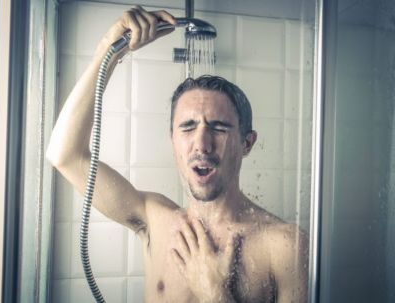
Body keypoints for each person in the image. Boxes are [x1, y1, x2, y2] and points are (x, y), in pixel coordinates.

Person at [47, 5, 308, 303]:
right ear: (172, 140)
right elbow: (64, 154)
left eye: (219, 127)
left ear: (247, 143)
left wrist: (214, 293)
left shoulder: (285, 246)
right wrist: (111, 47)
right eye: (187, 127)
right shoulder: (155, 220)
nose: (201, 143)